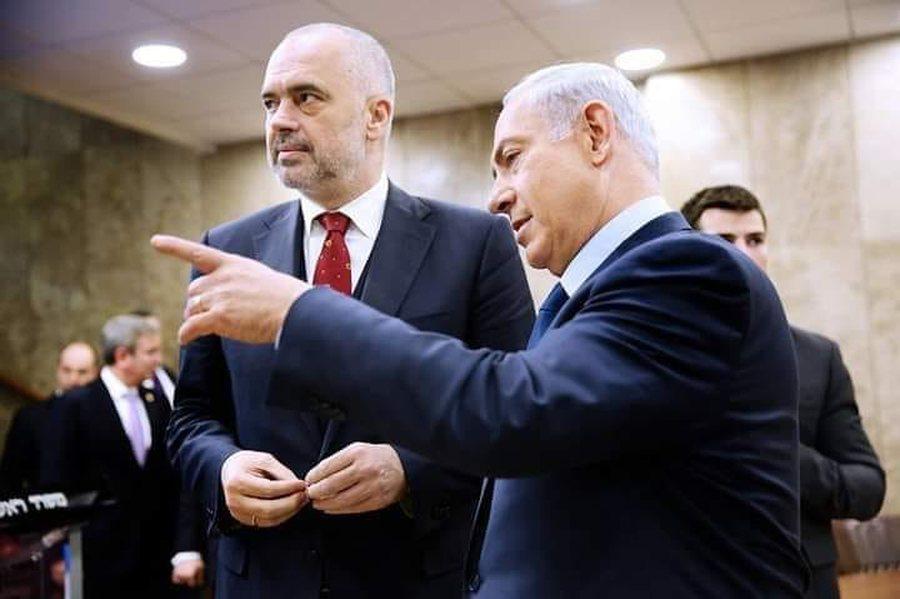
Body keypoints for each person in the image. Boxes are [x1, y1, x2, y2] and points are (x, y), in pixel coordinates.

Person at [154, 62, 808, 596]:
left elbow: (512, 409)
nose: (496, 195)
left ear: (595, 134)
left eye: (512, 159)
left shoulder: (685, 269)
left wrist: (300, 314)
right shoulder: (589, 294)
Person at [165, 23, 533, 599]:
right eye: (270, 103)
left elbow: (516, 418)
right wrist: (223, 469)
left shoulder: (475, 244)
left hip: (410, 577)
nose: (279, 120)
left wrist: (410, 470)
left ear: (375, 115)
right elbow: (192, 417)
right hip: (263, 577)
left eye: (306, 97)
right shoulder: (227, 250)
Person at [682, 184, 885, 599]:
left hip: (802, 582)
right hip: (695, 578)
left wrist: (778, 451)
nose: (744, 252)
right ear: (689, 253)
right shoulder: (662, 352)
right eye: (725, 240)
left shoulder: (818, 357)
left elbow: (867, 488)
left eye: (755, 239)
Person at [43, 315, 205, 598]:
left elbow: (172, 478)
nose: (158, 360)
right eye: (150, 352)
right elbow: (56, 479)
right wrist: (57, 553)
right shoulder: (74, 405)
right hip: (98, 561)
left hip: (155, 560)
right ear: (122, 356)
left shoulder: (156, 401)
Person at [0, 341, 97, 492]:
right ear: (58, 370)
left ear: (95, 373)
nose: (73, 379)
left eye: (82, 372)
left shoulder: (103, 417)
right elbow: (10, 476)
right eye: (67, 370)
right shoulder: (30, 418)